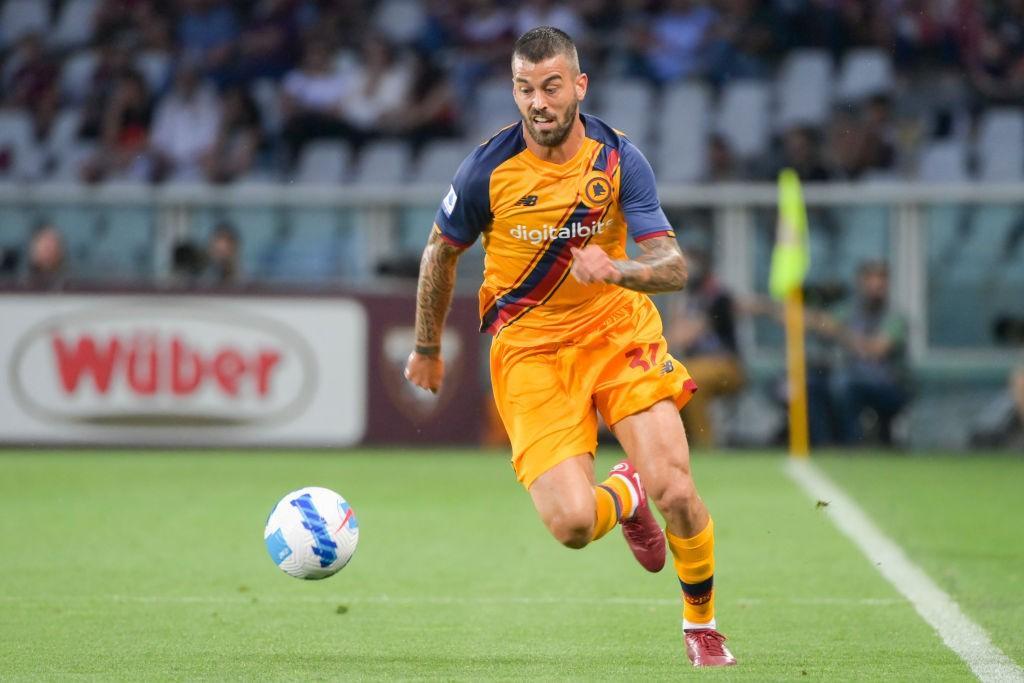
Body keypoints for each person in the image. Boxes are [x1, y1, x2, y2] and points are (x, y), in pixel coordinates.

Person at [403, 27, 736, 667]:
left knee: (676, 488)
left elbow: (672, 265)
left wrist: (622, 273)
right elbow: (440, 252)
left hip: (616, 333)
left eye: (552, 86)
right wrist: (426, 346)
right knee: (574, 526)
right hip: (529, 351)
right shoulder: (487, 169)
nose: (539, 102)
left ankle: (703, 624)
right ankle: (624, 496)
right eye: (525, 89)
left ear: (579, 86)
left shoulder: (618, 160)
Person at [668, 250, 744, 449]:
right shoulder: (688, 296)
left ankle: (705, 443)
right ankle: (678, 443)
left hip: (725, 364)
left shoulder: (717, 295)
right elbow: (676, 334)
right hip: (695, 363)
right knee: (669, 381)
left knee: (689, 380)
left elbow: (684, 335)